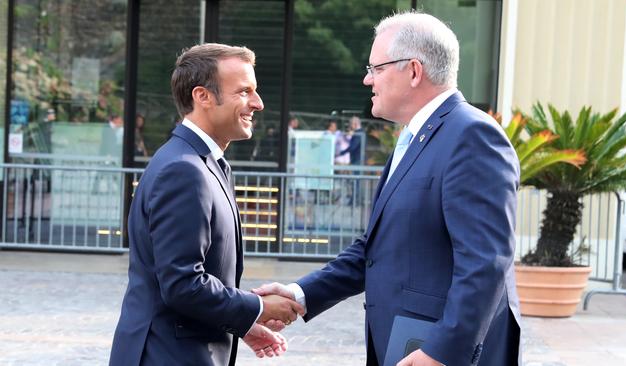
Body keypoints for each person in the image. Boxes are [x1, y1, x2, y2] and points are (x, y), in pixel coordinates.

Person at [254, 11, 521, 366]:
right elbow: (377, 249)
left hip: (439, 353)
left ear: (413, 71)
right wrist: (300, 293)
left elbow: (485, 263)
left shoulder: (472, 135)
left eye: (376, 68)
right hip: (405, 345)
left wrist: (442, 352)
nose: (368, 80)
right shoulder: (413, 138)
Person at [109, 43, 304, 366]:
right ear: (203, 96)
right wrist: (259, 307)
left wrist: (241, 324)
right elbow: (183, 284)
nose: (258, 103)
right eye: (244, 92)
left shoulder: (202, 162)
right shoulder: (184, 169)